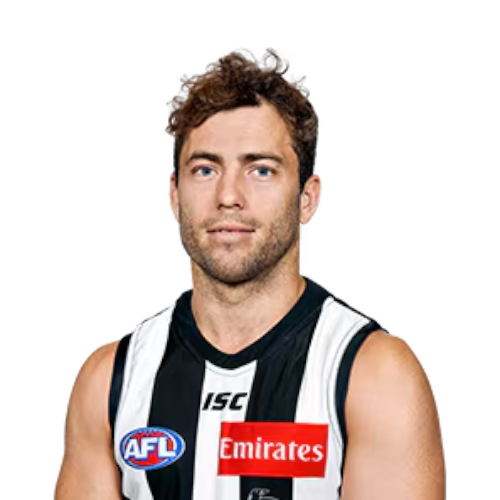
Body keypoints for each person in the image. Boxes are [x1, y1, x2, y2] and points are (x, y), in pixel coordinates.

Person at [54, 46, 446, 499]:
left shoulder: (375, 376)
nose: (228, 196)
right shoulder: (110, 381)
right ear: (174, 194)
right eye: (205, 169)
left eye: (260, 170)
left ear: (308, 198)